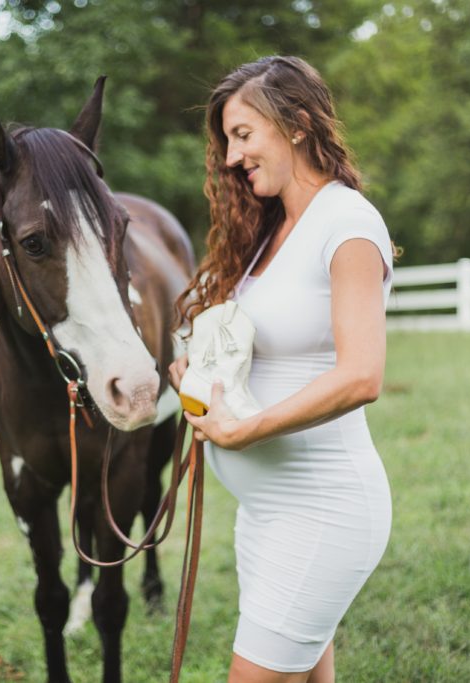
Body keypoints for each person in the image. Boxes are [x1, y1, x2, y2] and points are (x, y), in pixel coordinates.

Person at [168, 56, 396, 683]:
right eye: (227, 142)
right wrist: (196, 371)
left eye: (243, 135)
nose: (233, 156)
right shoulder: (275, 231)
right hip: (265, 513)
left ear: (296, 124)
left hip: (321, 510)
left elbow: (361, 376)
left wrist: (247, 431)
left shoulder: (346, 225)